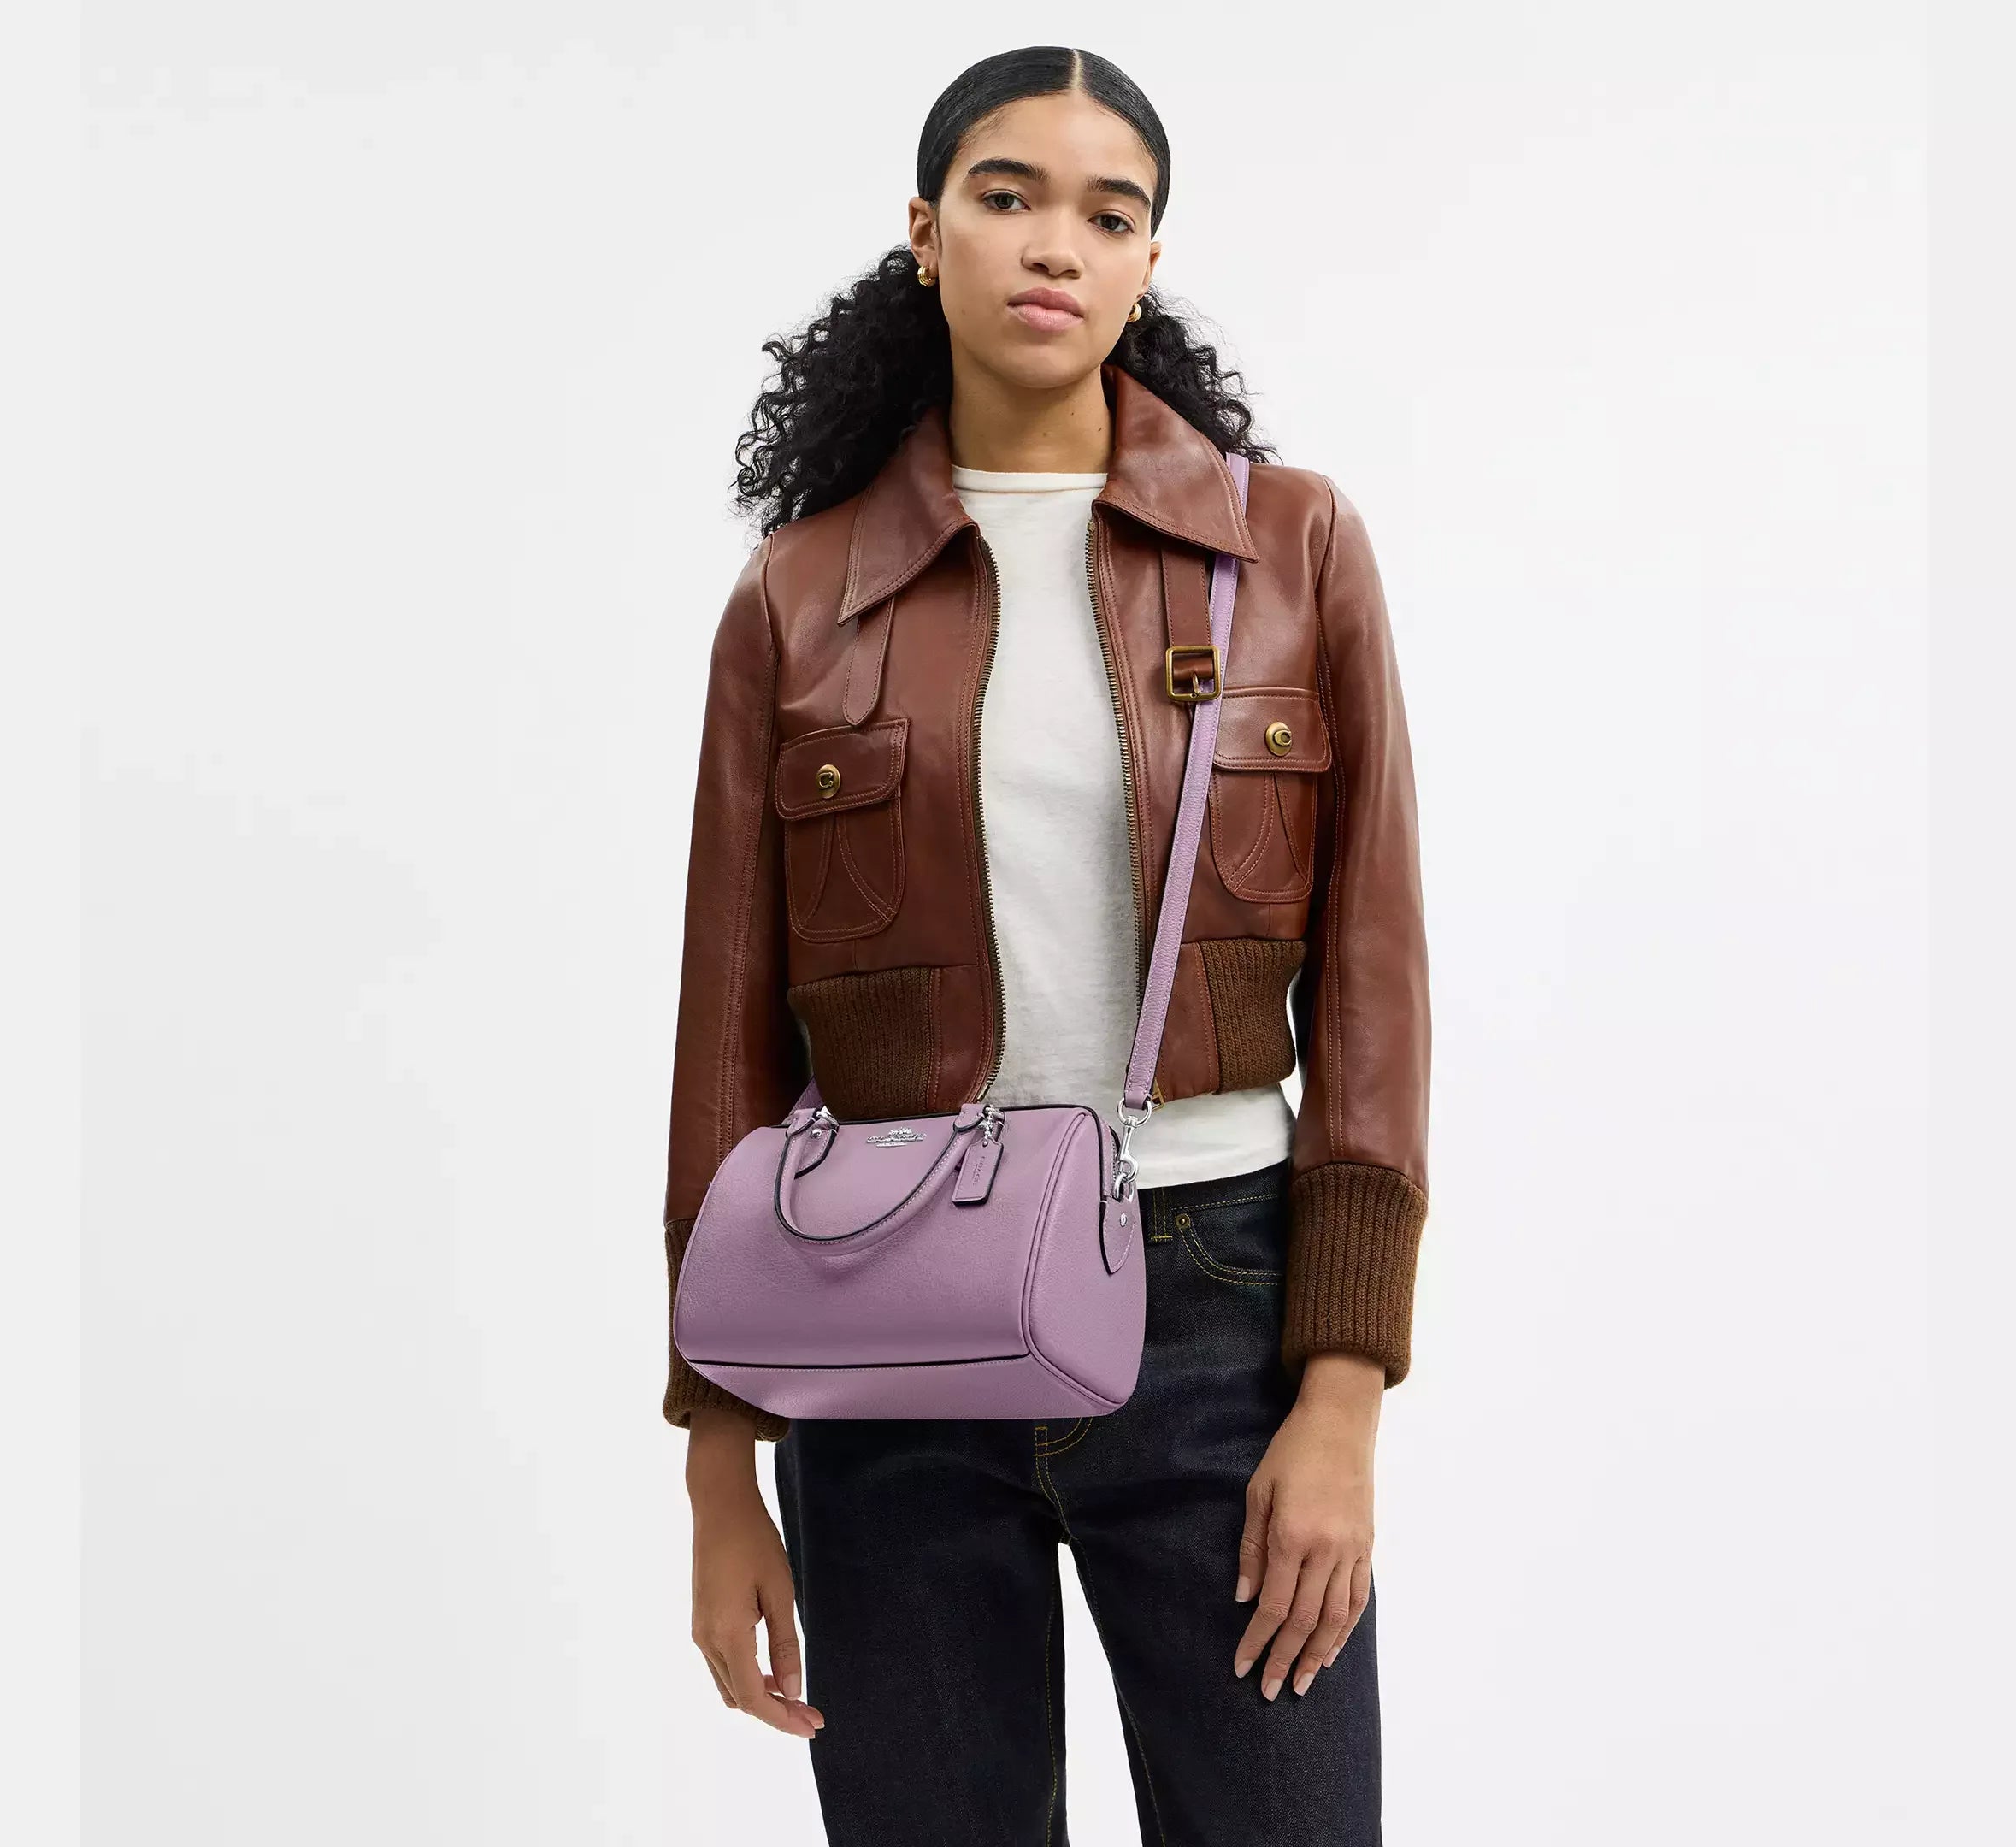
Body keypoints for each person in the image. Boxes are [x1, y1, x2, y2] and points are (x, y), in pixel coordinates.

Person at [658, 44, 1430, 1845]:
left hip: (1220, 1306)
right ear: (925, 232)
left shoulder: (1289, 547)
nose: (1054, 244)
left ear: (1149, 261)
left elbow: (1375, 984)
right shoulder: (798, 595)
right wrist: (719, 1458)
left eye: (1109, 211)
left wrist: (1342, 1391)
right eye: (1005, 196)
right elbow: (726, 1034)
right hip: (882, 1321)